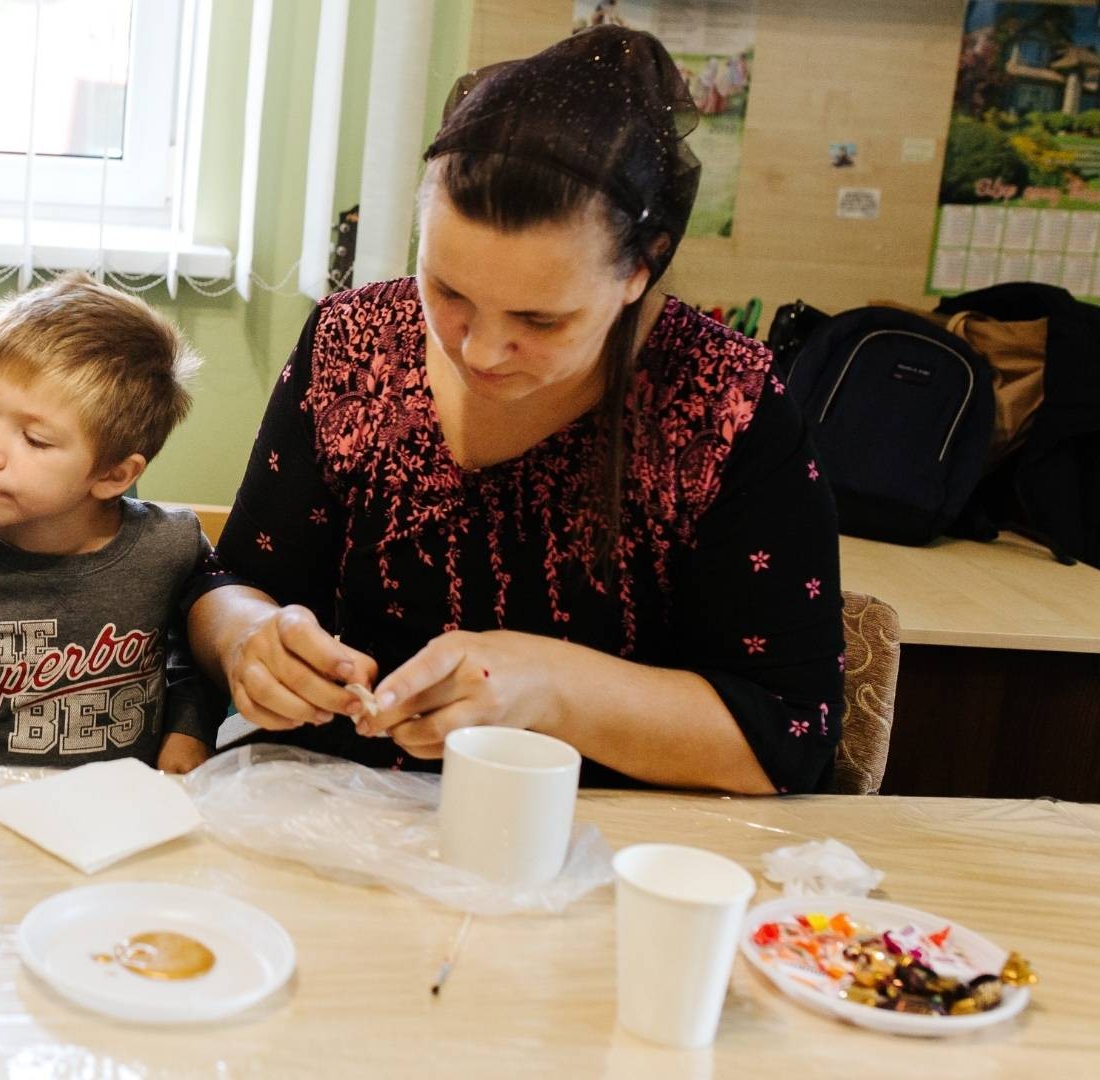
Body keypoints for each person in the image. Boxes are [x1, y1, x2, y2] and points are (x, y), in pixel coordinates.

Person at [187, 27, 845, 795]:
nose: (482, 351)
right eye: (449, 292)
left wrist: (550, 687)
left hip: (595, 846)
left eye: (540, 321)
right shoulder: (353, 343)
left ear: (642, 267)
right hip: (345, 819)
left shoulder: (725, 404)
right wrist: (247, 641)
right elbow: (231, 580)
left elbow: (790, 736)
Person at [0, 273, 222, 772]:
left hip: (115, 819)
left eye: (34, 439)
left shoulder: (173, 549)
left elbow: (196, 664)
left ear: (113, 474)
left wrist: (188, 731)